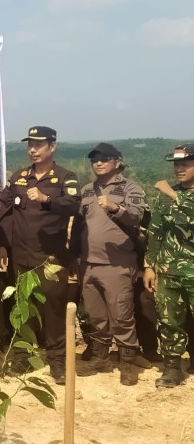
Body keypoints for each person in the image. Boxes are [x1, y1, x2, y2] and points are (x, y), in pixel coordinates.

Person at [0, 126, 80, 385]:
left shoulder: (65, 177)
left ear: (52, 146)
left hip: (50, 258)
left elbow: (74, 205)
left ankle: (57, 360)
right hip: (21, 255)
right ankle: (23, 355)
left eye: (39, 144)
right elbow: (3, 209)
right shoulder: (19, 177)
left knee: (53, 308)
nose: (33, 149)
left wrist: (46, 199)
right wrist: (1, 245)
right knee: (23, 307)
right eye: (30, 144)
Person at [71, 143, 150, 385]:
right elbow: (78, 226)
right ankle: (100, 356)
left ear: (117, 162)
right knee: (96, 316)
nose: (98, 163)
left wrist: (116, 207)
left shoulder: (130, 188)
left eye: (105, 159)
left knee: (122, 316)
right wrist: (74, 256)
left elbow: (138, 218)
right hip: (89, 265)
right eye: (94, 159)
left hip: (117, 264)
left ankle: (127, 362)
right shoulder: (86, 190)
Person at [144, 144, 194, 388]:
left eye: (185, 164)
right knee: (168, 320)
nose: (179, 169)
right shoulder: (166, 195)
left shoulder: (172, 194)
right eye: (176, 164)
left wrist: (176, 196)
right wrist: (149, 265)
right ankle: (172, 368)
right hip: (169, 270)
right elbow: (155, 232)